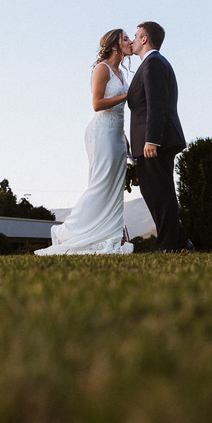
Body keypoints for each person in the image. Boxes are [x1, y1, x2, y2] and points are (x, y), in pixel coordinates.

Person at [35, 29, 134, 256]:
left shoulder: (121, 73)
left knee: (114, 187)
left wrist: (125, 139)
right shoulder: (102, 69)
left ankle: (109, 236)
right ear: (114, 45)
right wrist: (129, 95)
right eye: (125, 38)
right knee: (100, 185)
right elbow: (97, 104)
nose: (130, 41)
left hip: (117, 135)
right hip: (101, 133)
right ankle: (66, 233)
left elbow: (119, 112)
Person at [127, 22, 194, 253]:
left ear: (145, 39)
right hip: (151, 139)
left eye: (136, 36)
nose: (133, 40)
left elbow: (157, 104)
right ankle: (181, 242)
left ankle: (167, 245)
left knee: (160, 193)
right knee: (156, 191)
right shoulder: (152, 64)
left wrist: (151, 140)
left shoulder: (153, 63)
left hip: (155, 140)